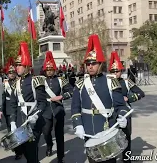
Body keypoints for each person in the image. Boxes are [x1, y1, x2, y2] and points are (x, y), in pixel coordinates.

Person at [70, 34, 130, 163]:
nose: (90, 66)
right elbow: (75, 107)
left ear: (100, 64)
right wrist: (78, 125)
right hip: (88, 130)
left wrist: (123, 116)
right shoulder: (80, 84)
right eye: (88, 63)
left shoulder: (110, 81)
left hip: (107, 128)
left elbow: (120, 106)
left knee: (109, 161)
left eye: (93, 63)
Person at [9, 42, 49, 163]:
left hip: (33, 123)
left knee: (32, 154)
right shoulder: (15, 83)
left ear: (26, 66)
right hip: (21, 123)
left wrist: (36, 115)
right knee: (25, 151)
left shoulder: (35, 81)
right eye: (17, 65)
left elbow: (43, 103)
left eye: (20, 65)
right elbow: (13, 104)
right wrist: (12, 122)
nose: (17, 68)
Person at [109, 51, 145, 163]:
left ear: (121, 71)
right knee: (112, 140)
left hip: (125, 112)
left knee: (126, 138)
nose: (115, 73)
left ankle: (127, 159)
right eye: (113, 71)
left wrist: (128, 98)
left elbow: (140, 93)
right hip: (110, 113)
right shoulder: (106, 82)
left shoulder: (126, 81)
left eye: (117, 71)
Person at [41, 51, 73, 163]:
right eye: (47, 70)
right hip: (45, 111)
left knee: (59, 135)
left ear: (54, 69)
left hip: (58, 110)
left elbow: (71, 91)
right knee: (46, 132)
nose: (49, 72)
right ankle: (49, 145)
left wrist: (61, 97)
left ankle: (60, 156)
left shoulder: (61, 80)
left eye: (51, 69)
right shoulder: (41, 81)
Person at [0, 57, 22, 160]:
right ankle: (16, 149)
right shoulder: (5, 84)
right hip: (8, 110)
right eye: (10, 73)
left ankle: (20, 149)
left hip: (19, 108)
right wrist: (0, 109)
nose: (11, 74)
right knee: (11, 130)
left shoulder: (19, 82)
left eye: (13, 73)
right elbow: (3, 97)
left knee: (19, 129)